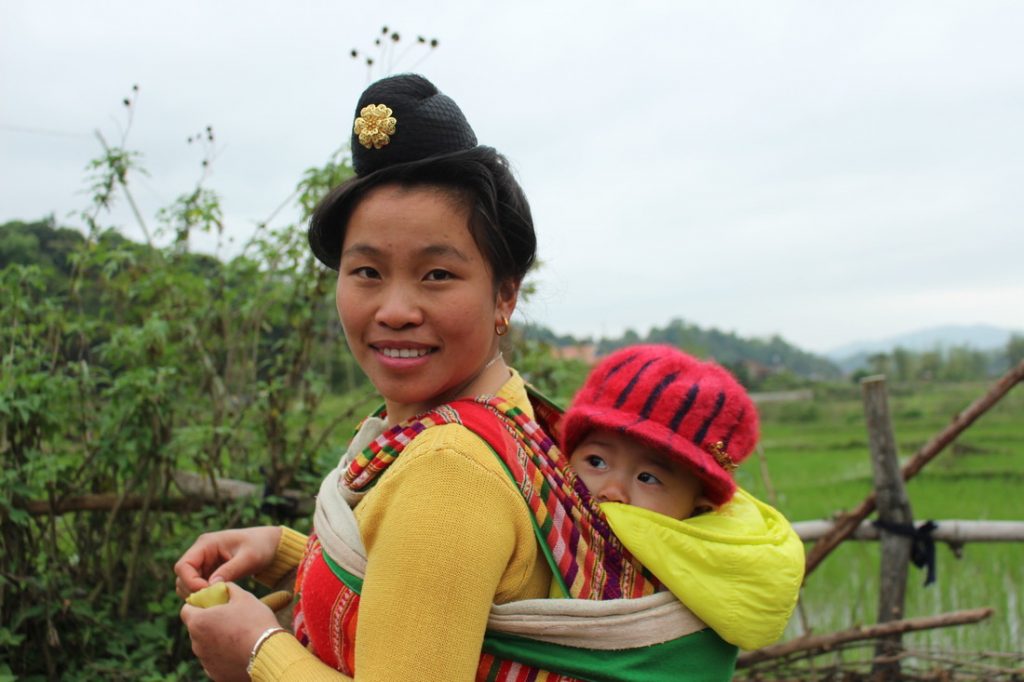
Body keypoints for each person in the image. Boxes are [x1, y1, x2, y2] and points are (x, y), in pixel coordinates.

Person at [175, 73, 550, 681]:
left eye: (437, 275)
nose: (395, 310)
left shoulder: (450, 468)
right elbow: (432, 591)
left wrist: (255, 650)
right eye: (368, 272)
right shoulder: (502, 413)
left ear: (504, 294)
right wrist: (286, 550)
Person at [560, 344, 805, 651]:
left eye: (647, 478)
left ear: (699, 507)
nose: (612, 491)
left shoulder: (709, 580)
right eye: (596, 462)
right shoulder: (540, 520)